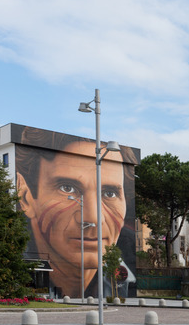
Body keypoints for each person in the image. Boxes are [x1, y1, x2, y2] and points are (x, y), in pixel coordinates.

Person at [15, 126, 137, 298]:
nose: (93, 219)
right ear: (25, 197)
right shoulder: (12, 256)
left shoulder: (127, 266)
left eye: (109, 193)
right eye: (67, 188)